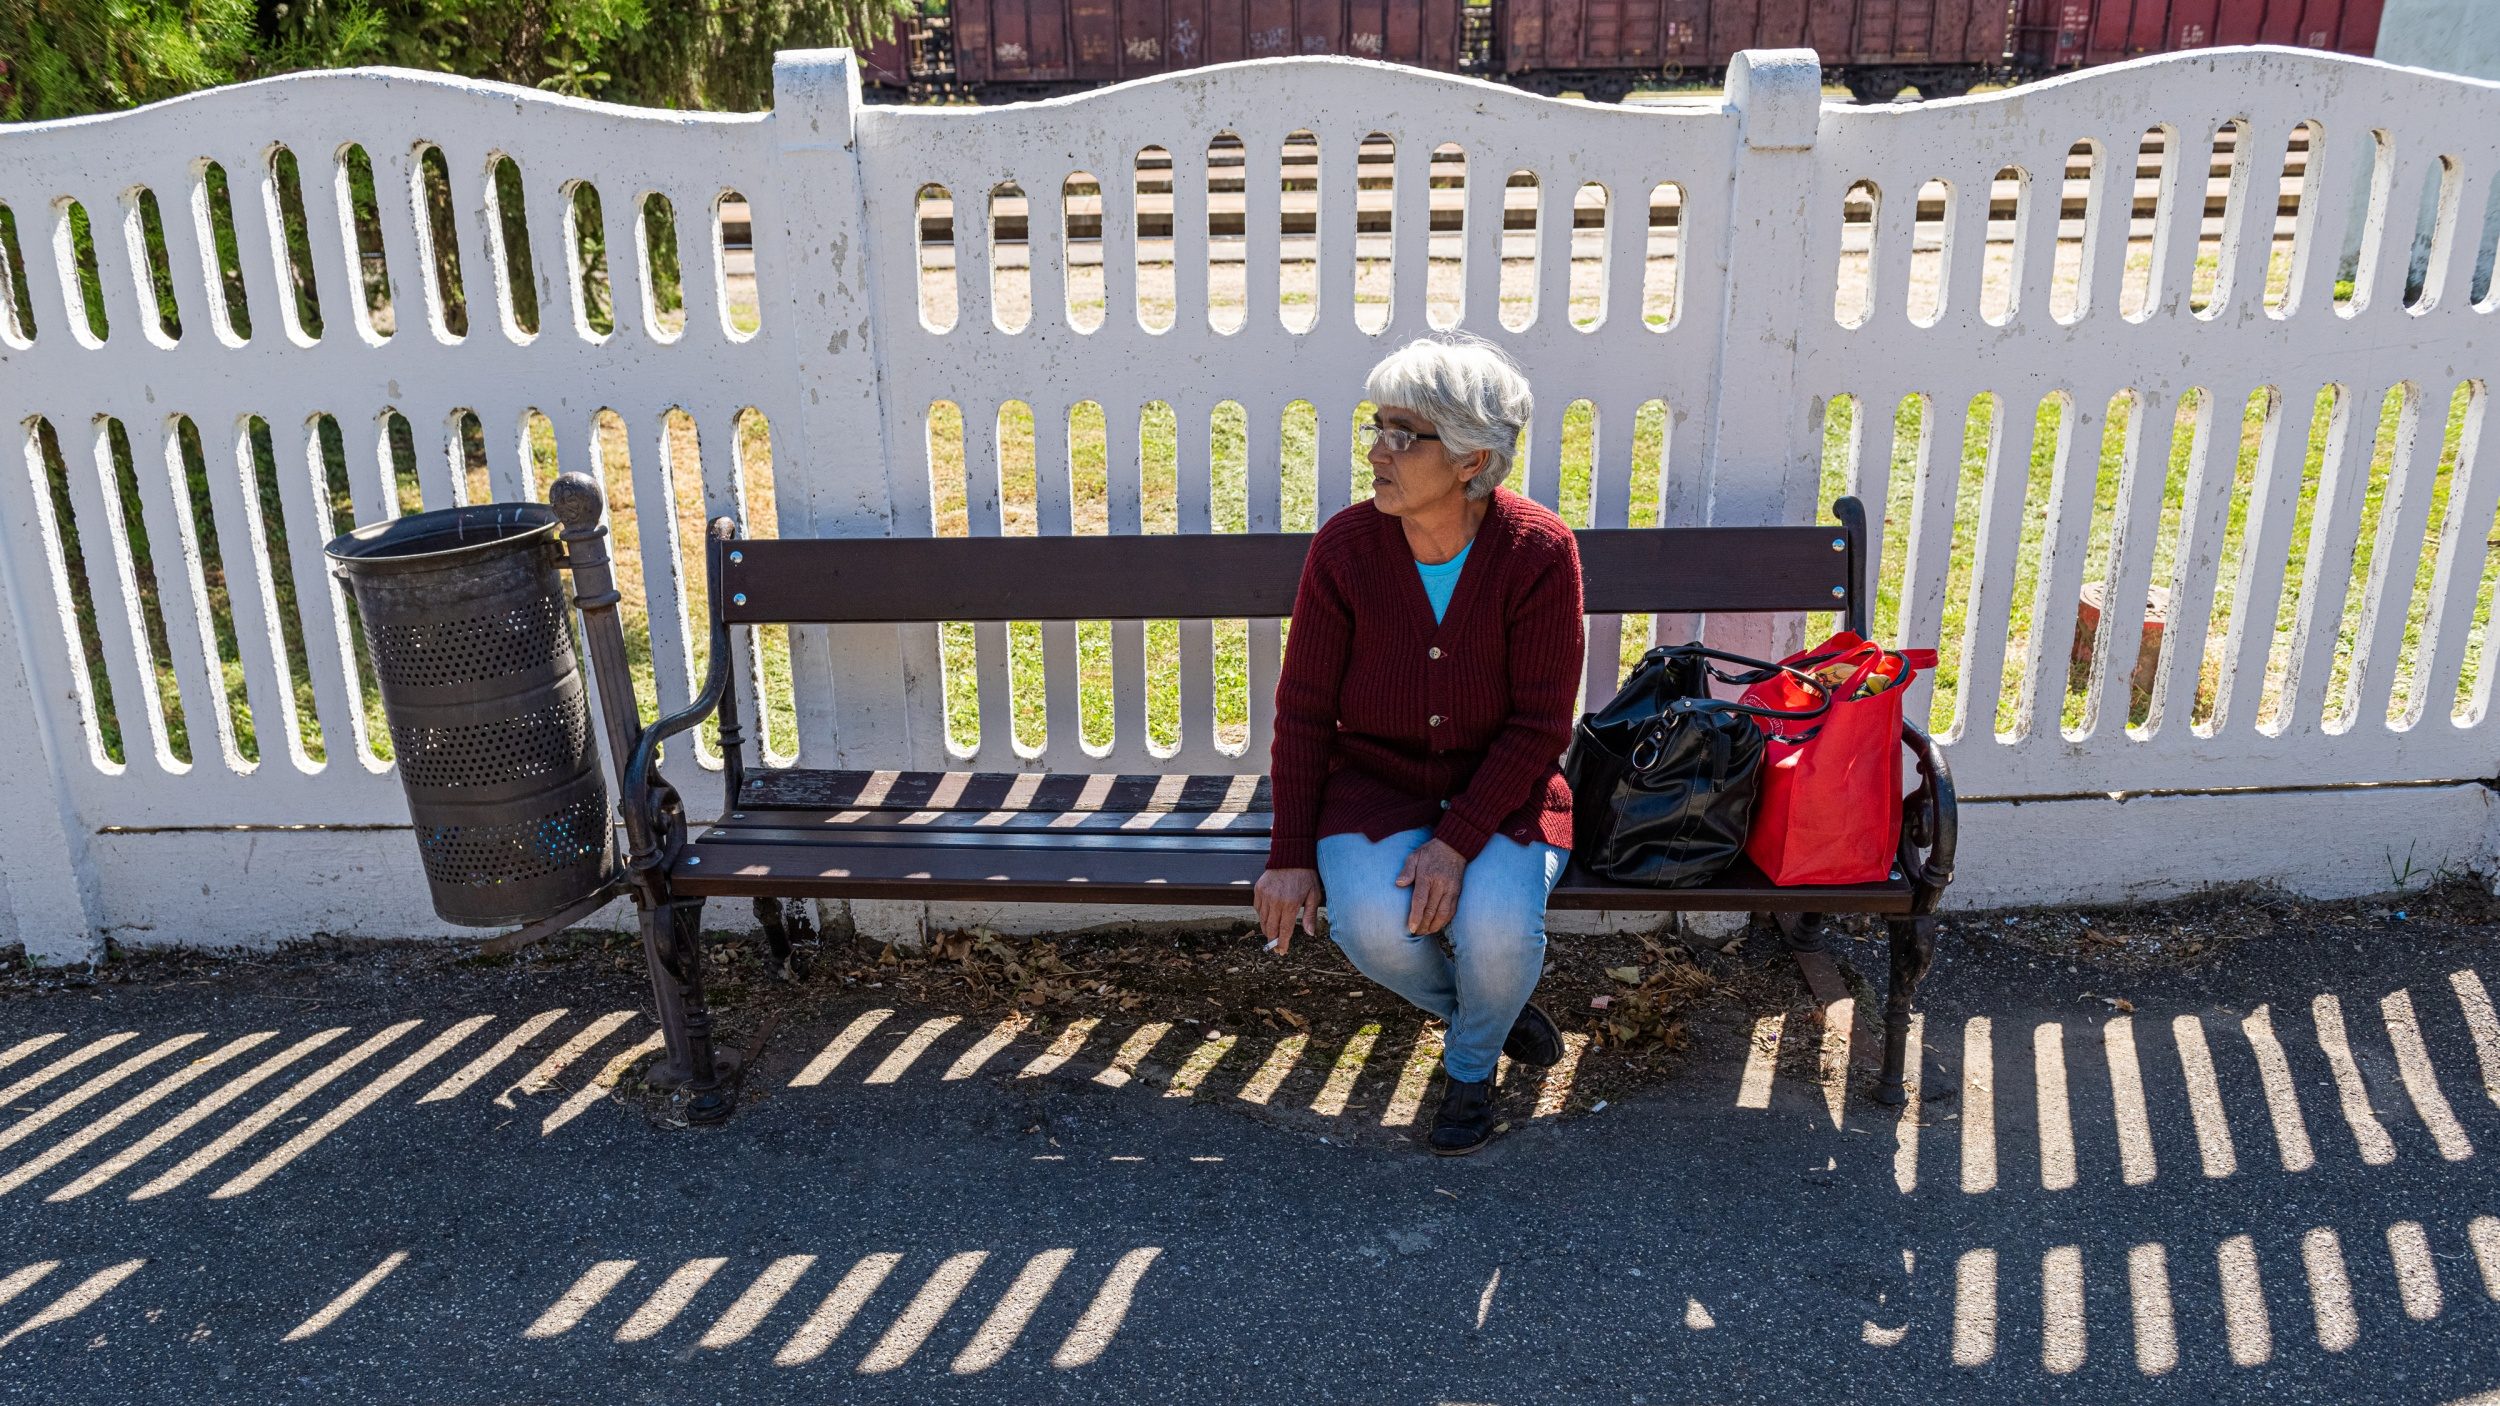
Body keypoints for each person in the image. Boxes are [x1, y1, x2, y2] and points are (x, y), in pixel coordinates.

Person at [1252, 334, 1585, 1156]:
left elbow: (1541, 724)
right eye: (1378, 428)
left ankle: (1470, 1068)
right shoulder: (1346, 549)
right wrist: (1291, 852)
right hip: (1372, 789)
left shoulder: (1540, 553)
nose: (1378, 451)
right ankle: (1490, 1013)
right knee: (1372, 931)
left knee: (1504, 934)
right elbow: (1302, 714)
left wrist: (1454, 844)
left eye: (1405, 435)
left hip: (1502, 795)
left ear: (1473, 457)